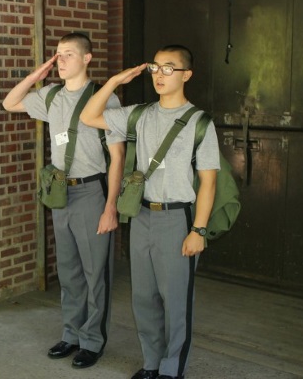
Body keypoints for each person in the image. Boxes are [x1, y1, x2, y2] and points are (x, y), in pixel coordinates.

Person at [80, 45, 220, 379]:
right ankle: (152, 363)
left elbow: (209, 182)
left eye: (169, 68)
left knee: (175, 302)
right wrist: (114, 81)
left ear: (186, 75)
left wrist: (198, 231)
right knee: (144, 297)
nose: (159, 74)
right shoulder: (140, 114)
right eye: (155, 67)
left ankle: (172, 370)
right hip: (141, 216)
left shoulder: (199, 122)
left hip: (177, 219)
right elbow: (88, 117)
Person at [3, 32, 124, 369]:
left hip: (91, 192)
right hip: (60, 192)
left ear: (87, 58)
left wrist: (110, 205)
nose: (61, 60)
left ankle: (92, 341)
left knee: (94, 272)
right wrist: (34, 77)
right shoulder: (51, 95)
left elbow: (118, 156)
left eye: (69, 54)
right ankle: (71, 334)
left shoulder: (103, 99)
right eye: (58, 55)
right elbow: (10, 103)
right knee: (69, 271)